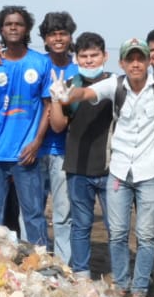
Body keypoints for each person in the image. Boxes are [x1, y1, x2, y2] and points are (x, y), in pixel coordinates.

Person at [59, 39, 154, 297]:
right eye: (131, 59)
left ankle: (139, 287)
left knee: (147, 234)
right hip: (118, 171)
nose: (136, 64)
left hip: (150, 171)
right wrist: (66, 94)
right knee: (118, 233)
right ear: (122, 63)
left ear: (149, 61)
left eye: (141, 58)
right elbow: (85, 94)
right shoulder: (114, 85)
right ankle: (120, 283)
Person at [0, 6, 51, 248]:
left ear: (27, 29)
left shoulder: (40, 62)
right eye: (8, 24)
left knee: (33, 214)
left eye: (18, 23)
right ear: (1, 29)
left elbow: (48, 106)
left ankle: (41, 264)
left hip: (26, 154)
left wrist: (37, 142)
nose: (13, 27)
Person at [48, 32, 112, 277]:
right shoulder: (68, 84)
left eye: (94, 55)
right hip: (77, 166)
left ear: (104, 56)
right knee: (80, 225)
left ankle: (120, 275)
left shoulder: (115, 83)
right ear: (76, 58)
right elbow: (57, 126)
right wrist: (56, 99)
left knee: (115, 227)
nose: (89, 61)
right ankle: (82, 274)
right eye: (83, 56)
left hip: (110, 167)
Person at [38, 12, 75, 264]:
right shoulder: (37, 64)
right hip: (35, 149)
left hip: (64, 150)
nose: (58, 38)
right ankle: (35, 258)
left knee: (62, 211)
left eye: (62, 33)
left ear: (70, 36)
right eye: (52, 34)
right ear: (45, 38)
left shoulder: (78, 67)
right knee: (32, 211)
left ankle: (63, 264)